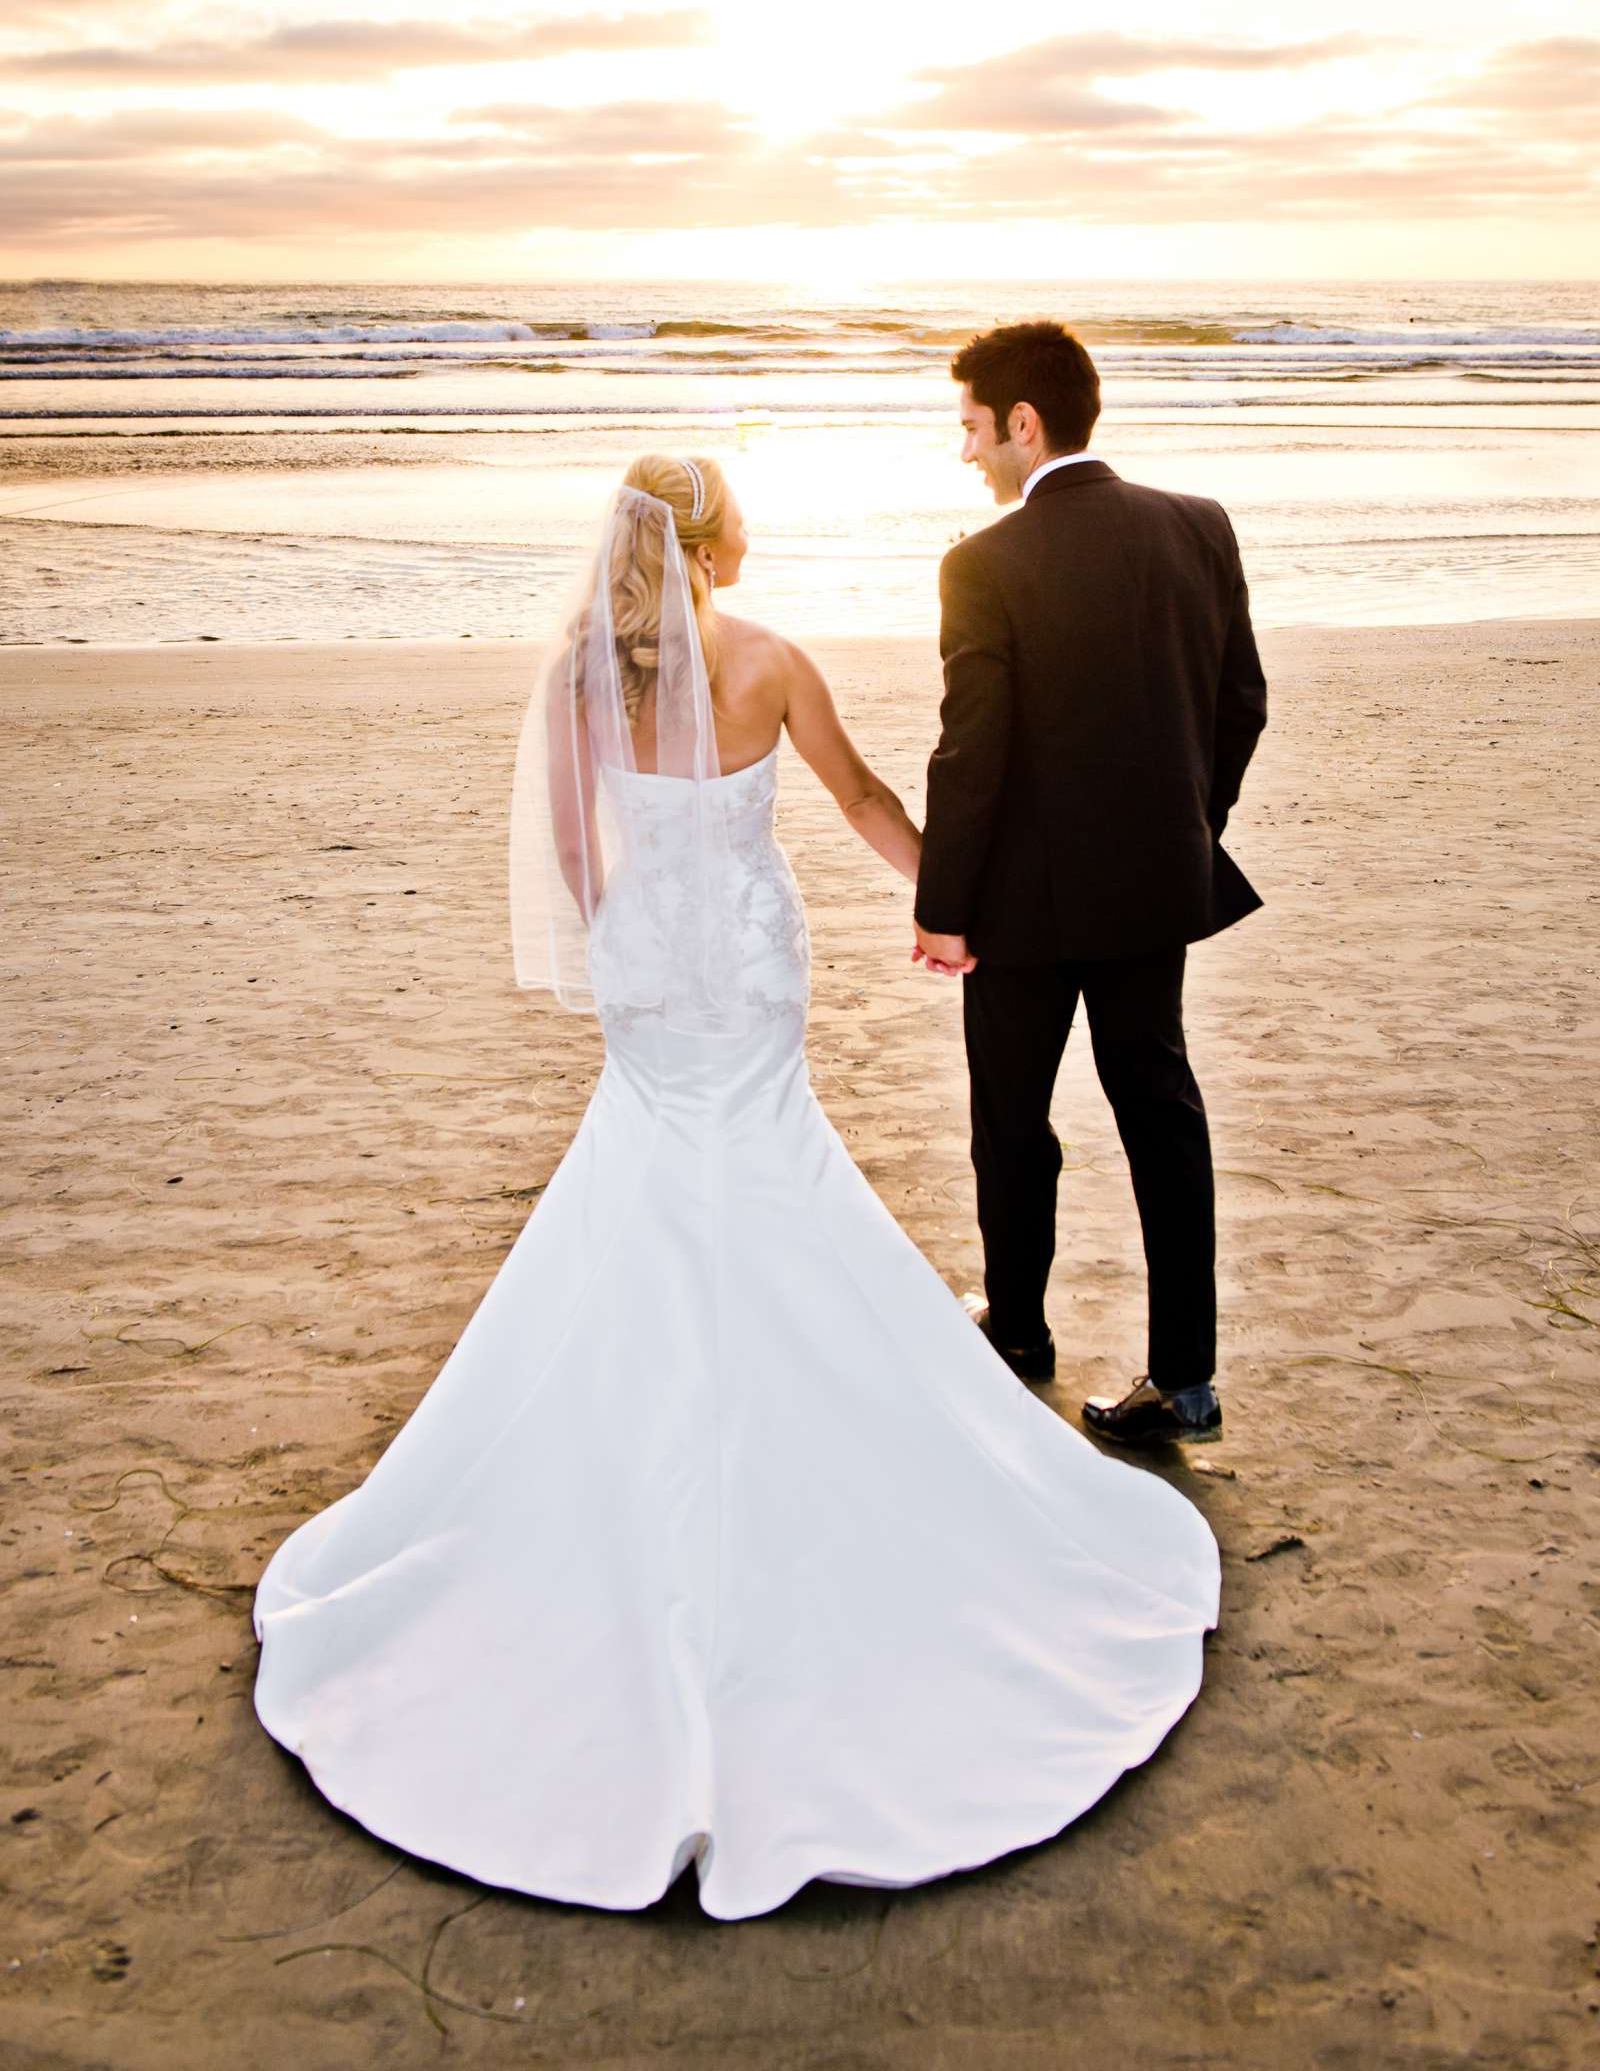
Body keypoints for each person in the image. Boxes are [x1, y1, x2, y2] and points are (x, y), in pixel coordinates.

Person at [252, 450, 1220, 1923]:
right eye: (744, 518)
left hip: (655, 970)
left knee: (644, 1184)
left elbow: (579, 860)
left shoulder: (585, 673)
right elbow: (863, 797)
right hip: (756, 970)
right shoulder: (770, 661)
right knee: (775, 1175)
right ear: (713, 542)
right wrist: (946, 910)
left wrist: (638, 933)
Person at [914, 321, 1268, 1446]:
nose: (966, 453)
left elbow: (972, 752)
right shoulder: (1195, 526)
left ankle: (1017, 1328)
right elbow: (1240, 702)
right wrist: (1182, 827)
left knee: (1010, 1121)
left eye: (970, 428)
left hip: (1019, 910)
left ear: (1023, 424)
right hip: (1154, 890)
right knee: (1160, 1111)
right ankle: (1188, 1377)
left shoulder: (982, 563)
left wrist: (942, 905)